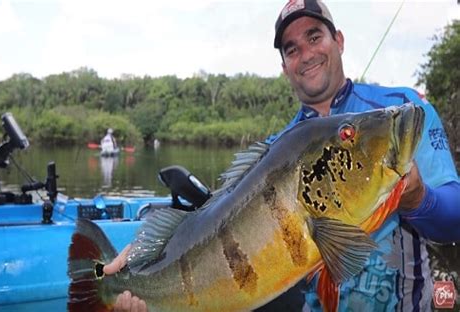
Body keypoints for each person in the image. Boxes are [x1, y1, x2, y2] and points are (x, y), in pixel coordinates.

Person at [104, 0, 460, 311]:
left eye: (315, 36)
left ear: (339, 41)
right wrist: (139, 255)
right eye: (291, 49)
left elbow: (454, 217)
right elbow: (213, 217)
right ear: (284, 67)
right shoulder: (275, 151)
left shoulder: (400, 110)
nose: (305, 54)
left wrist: (416, 198)